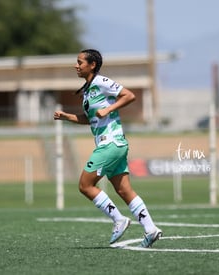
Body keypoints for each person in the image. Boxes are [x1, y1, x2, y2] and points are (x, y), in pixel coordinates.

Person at [53, 49, 162, 248]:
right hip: (115, 144)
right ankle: (151, 229)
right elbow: (90, 119)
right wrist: (66, 117)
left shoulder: (101, 82)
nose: (76, 65)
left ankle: (119, 220)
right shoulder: (87, 90)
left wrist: (109, 108)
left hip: (110, 143)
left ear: (92, 65)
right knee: (123, 189)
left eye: (80, 62)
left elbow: (129, 96)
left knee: (85, 185)